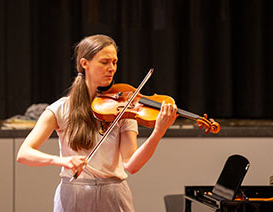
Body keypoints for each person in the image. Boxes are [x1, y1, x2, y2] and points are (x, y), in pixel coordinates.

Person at [16, 34, 178, 212]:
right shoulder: (61, 109)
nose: (112, 68)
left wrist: (158, 133)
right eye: (105, 62)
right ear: (85, 63)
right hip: (74, 194)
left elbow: (132, 165)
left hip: (114, 194)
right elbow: (24, 153)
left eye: (114, 62)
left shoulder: (124, 107)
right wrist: (60, 160)